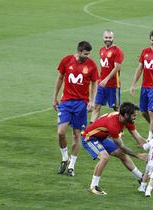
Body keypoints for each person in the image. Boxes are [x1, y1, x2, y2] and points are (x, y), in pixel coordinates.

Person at [53, 41, 98, 177]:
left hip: (81, 104)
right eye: (85, 54)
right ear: (79, 51)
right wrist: (54, 97)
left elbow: (95, 82)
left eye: (89, 54)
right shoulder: (67, 60)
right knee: (61, 132)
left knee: (76, 135)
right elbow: (60, 78)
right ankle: (64, 158)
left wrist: (93, 100)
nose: (87, 56)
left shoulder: (91, 65)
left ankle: (72, 165)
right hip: (66, 102)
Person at [82, 102, 148, 195]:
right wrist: (138, 155)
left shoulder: (127, 120)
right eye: (134, 115)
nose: (135, 117)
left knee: (122, 154)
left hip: (101, 138)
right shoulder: (113, 125)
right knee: (104, 157)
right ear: (126, 115)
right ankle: (93, 187)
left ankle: (140, 178)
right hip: (89, 138)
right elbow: (122, 146)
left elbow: (139, 139)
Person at [90, 30, 124, 123]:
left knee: (116, 108)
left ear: (113, 38)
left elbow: (117, 68)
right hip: (101, 84)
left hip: (113, 85)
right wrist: (101, 80)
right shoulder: (102, 50)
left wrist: (106, 79)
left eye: (110, 38)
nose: (108, 39)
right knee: (97, 106)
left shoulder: (117, 51)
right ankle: (91, 128)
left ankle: (122, 127)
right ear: (103, 38)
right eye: (106, 37)